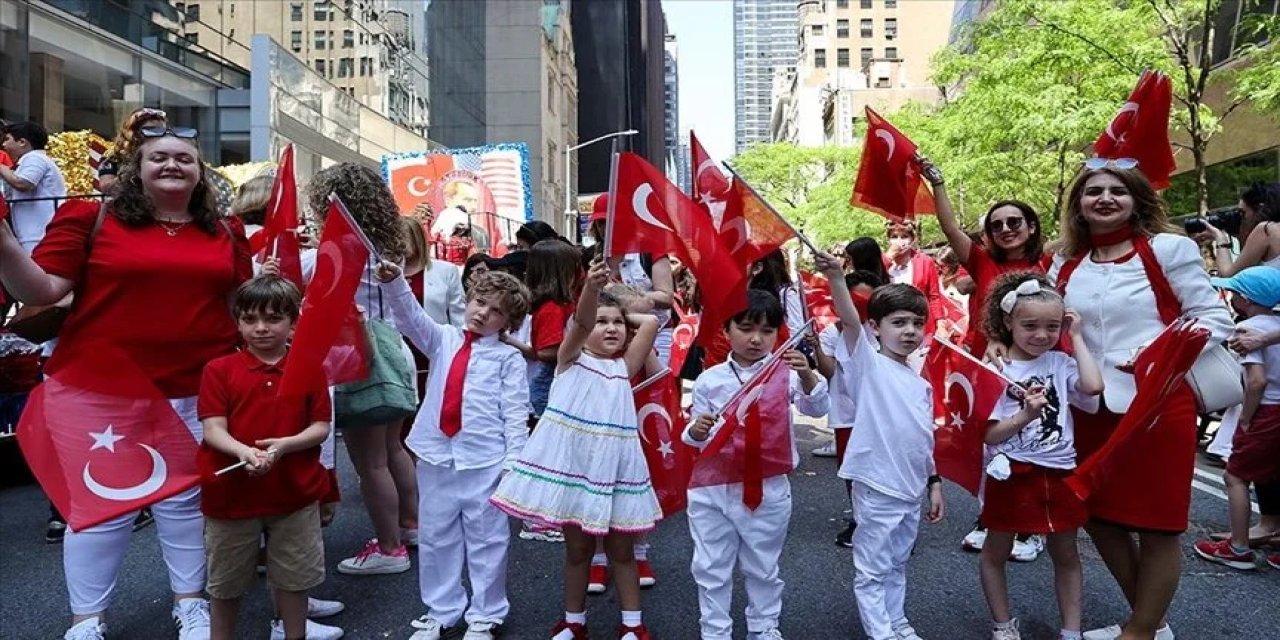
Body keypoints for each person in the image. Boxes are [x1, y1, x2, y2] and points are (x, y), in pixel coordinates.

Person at [0, 125, 251, 640]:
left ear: (201, 172)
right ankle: (87, 620)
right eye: (158, 157)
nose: (172, 164)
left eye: (185, 158)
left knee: (184, 503)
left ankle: (190, 604)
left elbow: (240, 307)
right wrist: (4, 243)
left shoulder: (225, 231)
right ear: (136, 168)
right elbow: (43, 288)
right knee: (100, 507)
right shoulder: (88, 216)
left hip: (194, 388)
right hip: (100, 388)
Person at [1010, 163, 1232, 640]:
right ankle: (1150, 622)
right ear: (1079, 205)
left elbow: (1214, 318)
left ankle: (1138, 631)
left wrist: (1156, 356)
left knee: (1158, 525)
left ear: (1137, 199)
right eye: (1093, 192)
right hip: (1087, 410)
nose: (1105, 198)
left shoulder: (1168, 250)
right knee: (1096, 516)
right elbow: (1038, 321)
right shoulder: (1063, 263)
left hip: (1158, 408)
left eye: (1117, 191)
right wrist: (999, 341)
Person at [490, 259, 662, 640]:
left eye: (618, 323)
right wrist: (592, 293)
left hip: (616, 473)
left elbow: (649, 323)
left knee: (622, 552)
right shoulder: (570, 361)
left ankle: (633, 625)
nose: (612, 328)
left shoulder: (625, 367)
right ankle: (573, 620)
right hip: (575, 474)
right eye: (603, 322)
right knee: (577, 551)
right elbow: (581, 324)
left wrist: (617, 305)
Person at [375, 260, 531, 640]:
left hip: (485, 460)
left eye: (497, 311)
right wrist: (396, 282)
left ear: (508, 323)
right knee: (435, 536)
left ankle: (486, 612)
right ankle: (442, 608)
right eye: (480, 301)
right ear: (468, 298)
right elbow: (410, 318)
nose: (483, 313)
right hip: (437, 455)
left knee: (488, 538)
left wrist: (515, 464)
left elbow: (514, 412)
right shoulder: (442, 338)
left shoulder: (508, 358)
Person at [918, 159, 1050, 558]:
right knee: (991, 446)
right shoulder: (981, 261)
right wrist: (937, 182)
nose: (1006, 229)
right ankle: (991, 516)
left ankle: (1033, 527)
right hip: (986, 367)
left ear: (1030, 227)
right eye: (997, 225)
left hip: (1038, 368)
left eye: (1015, 222)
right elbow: (949, 228)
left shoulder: (1049, 263)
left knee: (1034, 441)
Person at [682, 288, 829, 640]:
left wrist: (808, 374)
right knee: (711, 566)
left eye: (766, 330)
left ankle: (764, 626)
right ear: (726, 331)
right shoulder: (710, 380)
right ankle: (715, 630)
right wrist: (696, 430)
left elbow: (818, 409)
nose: (756, 338)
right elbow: (693, 437)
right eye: (746, 328)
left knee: (763, 566)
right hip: (714, 486)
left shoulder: (787, 373)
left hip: (768, 485)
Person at [197, 277, 337, 640]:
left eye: (273, 318)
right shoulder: (219, 370)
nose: (260, 328)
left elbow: (321, 425)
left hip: (294, 492)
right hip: (231, 494)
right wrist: (244, 452)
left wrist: (285, 445)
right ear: (238, 321)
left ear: (293, 321)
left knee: (295, 577)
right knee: (225, 582)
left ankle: (294, 633)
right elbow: (213, 429)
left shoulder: (308, 367)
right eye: (250, 319)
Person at [304, 163, 419, 575]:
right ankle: (410, 525)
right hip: (394, 352)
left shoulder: (330, 251)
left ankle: (389, 549)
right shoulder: (388, 247)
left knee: (369, 462)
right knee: (394, 450)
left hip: (358, 356)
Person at [977, 273, 1104, 640]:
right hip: (1012, 473)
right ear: (1008, 323)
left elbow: (1094, 387)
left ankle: (1072, 630)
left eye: (1052, 326)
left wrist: (1075, 337)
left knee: (1066, 553)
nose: (1041, 335)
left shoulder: (1060, 363)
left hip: (1060, 470)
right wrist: (1024, 416)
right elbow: (989, 434)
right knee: (996, 550)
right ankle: (1003, 625)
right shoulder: (996, 370)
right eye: (1029, 325)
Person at [828, 256, 944, 640]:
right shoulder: (868, 365)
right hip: (878, 485)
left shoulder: (920, 383)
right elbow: (848, 319)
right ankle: (881, 631)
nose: (910, 331)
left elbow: (922, 438)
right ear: (875, 327)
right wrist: (834, 276)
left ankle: (896, 620)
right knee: (873, 567)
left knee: (897, 562)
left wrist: (934, 482)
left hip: (911, 488)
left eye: (916, 323)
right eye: (899, 322)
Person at [1193, 267, 1280, 571]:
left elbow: (1255, 381)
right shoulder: (1276, 326)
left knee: (1236, 476)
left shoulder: (1247, 330)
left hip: (1267, 411)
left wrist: (1245, 417)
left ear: (1244, 299)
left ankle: (1238, 547)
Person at [812, 270, 882, 548]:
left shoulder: (881, 329)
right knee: (851, 467)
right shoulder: (832, 332)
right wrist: (818, 349)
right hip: (846, 412)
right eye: (855, 300)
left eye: (867, 300)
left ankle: (884, 521)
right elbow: (829, 372)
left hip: (877, 411)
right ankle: (859, 517)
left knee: (878, 466)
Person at [0, 121, 66, 254]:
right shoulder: (31, 159)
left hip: (39, 232)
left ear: (22, 142)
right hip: (34, 232)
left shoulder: (34, 158)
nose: (4, 145)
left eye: (7, 139)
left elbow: (23, 183)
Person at [1192, 182, 1280, 277]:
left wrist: (1220, 238)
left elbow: (1228, 276)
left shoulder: (1266, 230)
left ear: (1260, 209)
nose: (1240, 219)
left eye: (1242, 213)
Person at [883, 220, 945, 330]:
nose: (899, 242)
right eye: (894, 236)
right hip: (891, 323)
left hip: (919, 322)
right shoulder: (882, 261)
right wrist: (888, 257)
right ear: (888, 239)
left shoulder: (925, 261)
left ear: (912, 239)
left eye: (904, 236)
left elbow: (934, 296)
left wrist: (941, 325)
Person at [96, 107, 167, 193]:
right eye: (150, 130)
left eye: (162, 131)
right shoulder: (115, 155)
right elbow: (106, 187)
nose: (156, 134)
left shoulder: (170, 154)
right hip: (127, 203)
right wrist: (134, 170)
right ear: (134, 132)